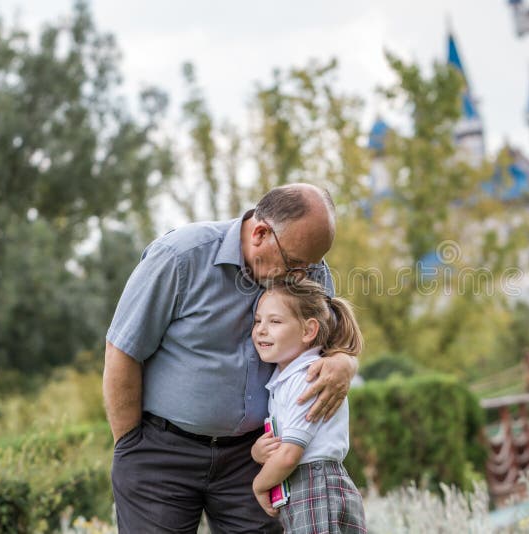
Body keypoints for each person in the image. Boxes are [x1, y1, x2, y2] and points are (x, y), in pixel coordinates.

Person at [103, 184, 358, 533]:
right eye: (295, 264)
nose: (303, 276)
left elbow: (330, 340)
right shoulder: (179, 257)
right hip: (162, 456)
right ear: (260, 234)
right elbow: (123, 350)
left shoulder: (307, 267)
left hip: (253, 457)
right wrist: (130, 446)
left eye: (311, 266)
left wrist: (346, 363)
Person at [250, 280, 366, 533]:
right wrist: (260, 453)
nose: (261, 330)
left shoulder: (307, 377)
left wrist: (259, 485)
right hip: (308, 485)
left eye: (275, 322)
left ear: (308, 331)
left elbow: (291, 454)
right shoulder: (287, 378)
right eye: (258, 321)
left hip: (315, 485)